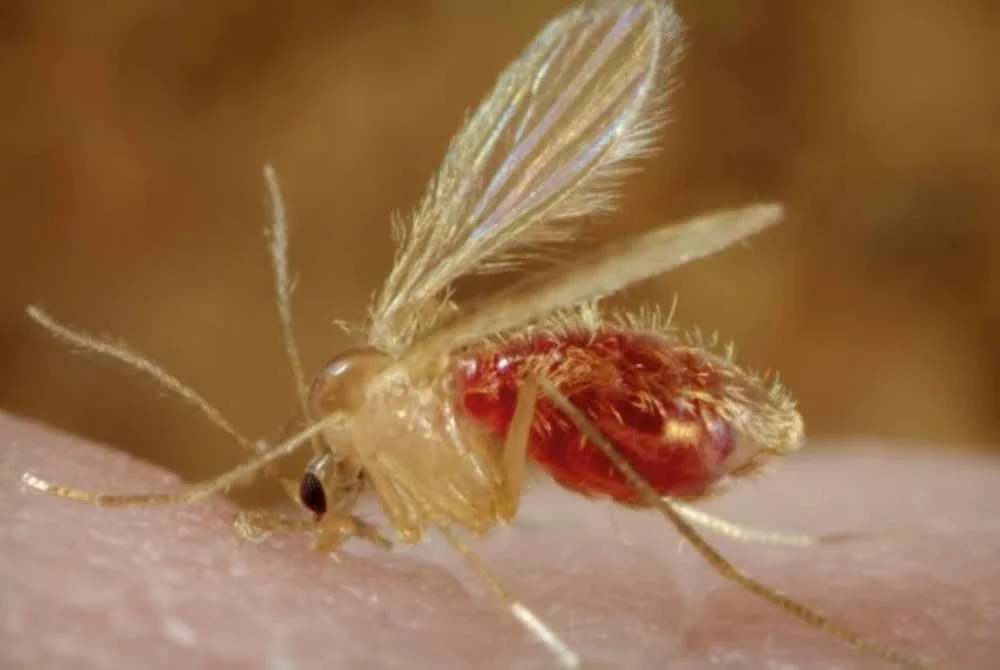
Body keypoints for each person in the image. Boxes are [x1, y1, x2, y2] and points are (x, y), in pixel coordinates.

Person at [2, 414, 996, 669]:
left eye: (329, 504)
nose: (336, 519)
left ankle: (733, 559)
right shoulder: (385, 461)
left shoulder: (406, 444)